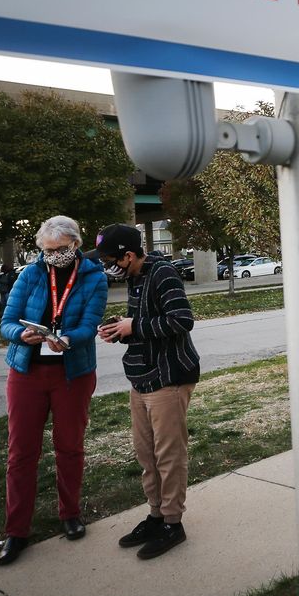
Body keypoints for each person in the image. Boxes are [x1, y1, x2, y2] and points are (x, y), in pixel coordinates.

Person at [0, 216, 108, 566]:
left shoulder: (94, 277)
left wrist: (69, 339)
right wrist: (20, 334)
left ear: (75, 244)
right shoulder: (30, 275)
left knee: (70, 447)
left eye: (59, 250)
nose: (53, 256)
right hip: (27, 373)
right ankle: (16, 531)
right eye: (46, 250)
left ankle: (70, 513)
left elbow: (91, 323)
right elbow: (7, 321)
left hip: (71, 374)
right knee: (21, 453)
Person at [96, 224, 200, 560]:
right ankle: (155, 516)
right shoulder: (134, 278)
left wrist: (134, 326)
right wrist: (120, 329)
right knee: (146, 454)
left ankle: (173, 523)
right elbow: (142, 323)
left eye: (111, 259)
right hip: (141, 379)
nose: (107, 266)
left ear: (128, 255)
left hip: (168, 379)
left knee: (169, 457)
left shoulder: (162, 274)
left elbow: (182, 319)